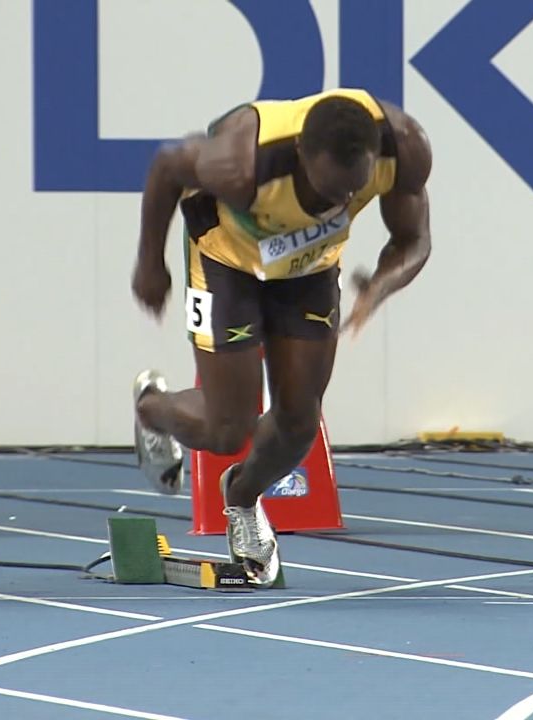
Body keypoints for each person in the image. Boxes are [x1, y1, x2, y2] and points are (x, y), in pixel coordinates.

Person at [129, 89, 432, 586]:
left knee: (298, 423)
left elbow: (414, 239)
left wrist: (378, 287)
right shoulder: (241, 162)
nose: (337, 205)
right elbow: (166, 165)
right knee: (229, 430)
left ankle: (243, 500)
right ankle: (151, 407)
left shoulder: (404, 147)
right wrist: (149, 264)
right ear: (301, 158)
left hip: (310, 271)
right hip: (227, 262)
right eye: (326, 193)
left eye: (350, 194)